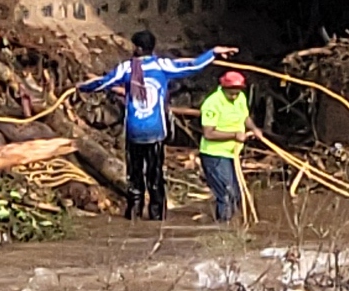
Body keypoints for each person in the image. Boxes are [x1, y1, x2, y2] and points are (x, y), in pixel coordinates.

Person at [80, 30, 224, 222]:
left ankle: (134, 214)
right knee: (155, 175)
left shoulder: (127, 68)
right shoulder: (162, 65)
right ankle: (157, 216)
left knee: (135, 175)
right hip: (156, 131)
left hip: (134, 131)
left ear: (138, 48)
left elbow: (103, 83)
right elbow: (193, 66)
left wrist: (81, 87)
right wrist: (212, 53)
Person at [195, 70, 254, 223]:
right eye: (231, 94)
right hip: (214, 155)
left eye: (237, 93)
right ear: (223, 88)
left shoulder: (240, 97)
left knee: (237, 193)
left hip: (231, 154)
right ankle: (223, 228)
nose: (234, 96)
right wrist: (235, 135)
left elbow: (245, 117)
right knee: (226, 193)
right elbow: (208, 133)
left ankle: (234, 226)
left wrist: (254, 130)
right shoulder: (212, 103)